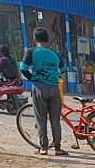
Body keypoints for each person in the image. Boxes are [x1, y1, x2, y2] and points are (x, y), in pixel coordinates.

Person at [19, 27, 68, 156]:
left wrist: (32, 79)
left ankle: (44, 148)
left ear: (35, 40)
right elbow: (63, 69)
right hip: (54, 88)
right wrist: (54, 76)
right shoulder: (55, 54)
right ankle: (57, 148)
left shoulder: (31, 52)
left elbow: (23, 68)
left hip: (39, 87)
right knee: (55, 120)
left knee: (41, 118)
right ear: (48, 40)